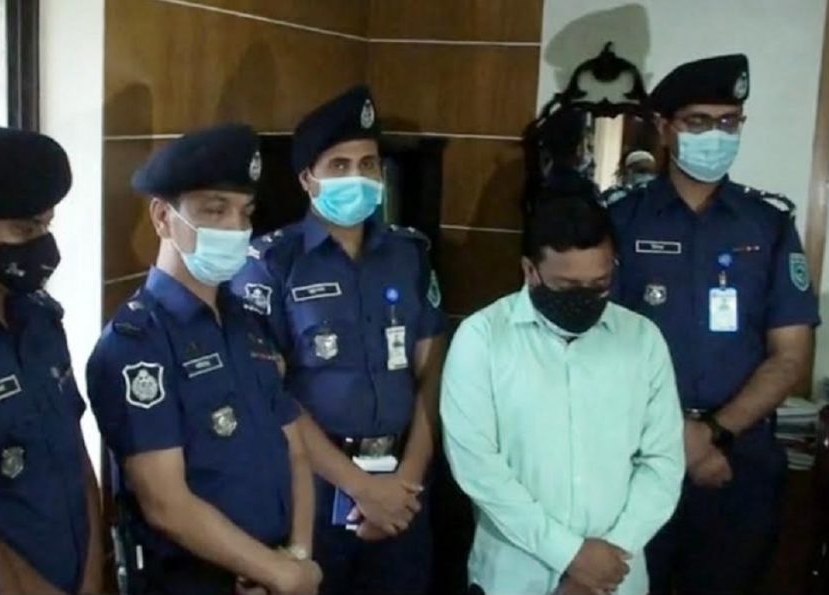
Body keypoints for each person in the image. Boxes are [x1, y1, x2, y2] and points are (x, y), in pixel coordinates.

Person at [607, 54, 819, 594]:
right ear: (664, 128)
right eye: (698, 122)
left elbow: (791, 355)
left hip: (739, 461)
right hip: (634, 456)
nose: (716, 135)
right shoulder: (619, 219)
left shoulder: (768, 224)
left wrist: (712, 435)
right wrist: (675, 437)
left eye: (729, 122)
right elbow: (595, 345)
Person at [86, 123, 321, 595]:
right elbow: (166, 504)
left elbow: (294, 450)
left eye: (245, 212)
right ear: (162, 218)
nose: (235, 228)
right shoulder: (136, 343)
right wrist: (278, 574)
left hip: (277, 569)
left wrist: (295, 557)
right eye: (215, 210)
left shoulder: (247, 322)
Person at [232, 85, 446, 595]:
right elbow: (270, 393)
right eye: (340, 165)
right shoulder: (270, 264)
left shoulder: (409, 254)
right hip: (314, 492)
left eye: (368, 164)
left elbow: (432, 373)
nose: (357, 177)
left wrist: (405, 482)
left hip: (404, 490)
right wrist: (361, 489)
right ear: (308, 178)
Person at [441, 195, 685, 595]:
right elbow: (477, 467)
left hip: (616, 576)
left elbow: (662, 463)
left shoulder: (642, 340)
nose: (584, 297)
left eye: (599, 285)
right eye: (568, 286)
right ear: (530, 271)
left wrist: (608, 557)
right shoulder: (482, 339)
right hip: (513, 576)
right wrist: (570, 555)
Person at [0, 127, 104, 594]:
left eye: (47, 226)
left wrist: (93, 575)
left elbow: (74, 452)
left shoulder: (41, 318)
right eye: (24, 230)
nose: (42, 245)